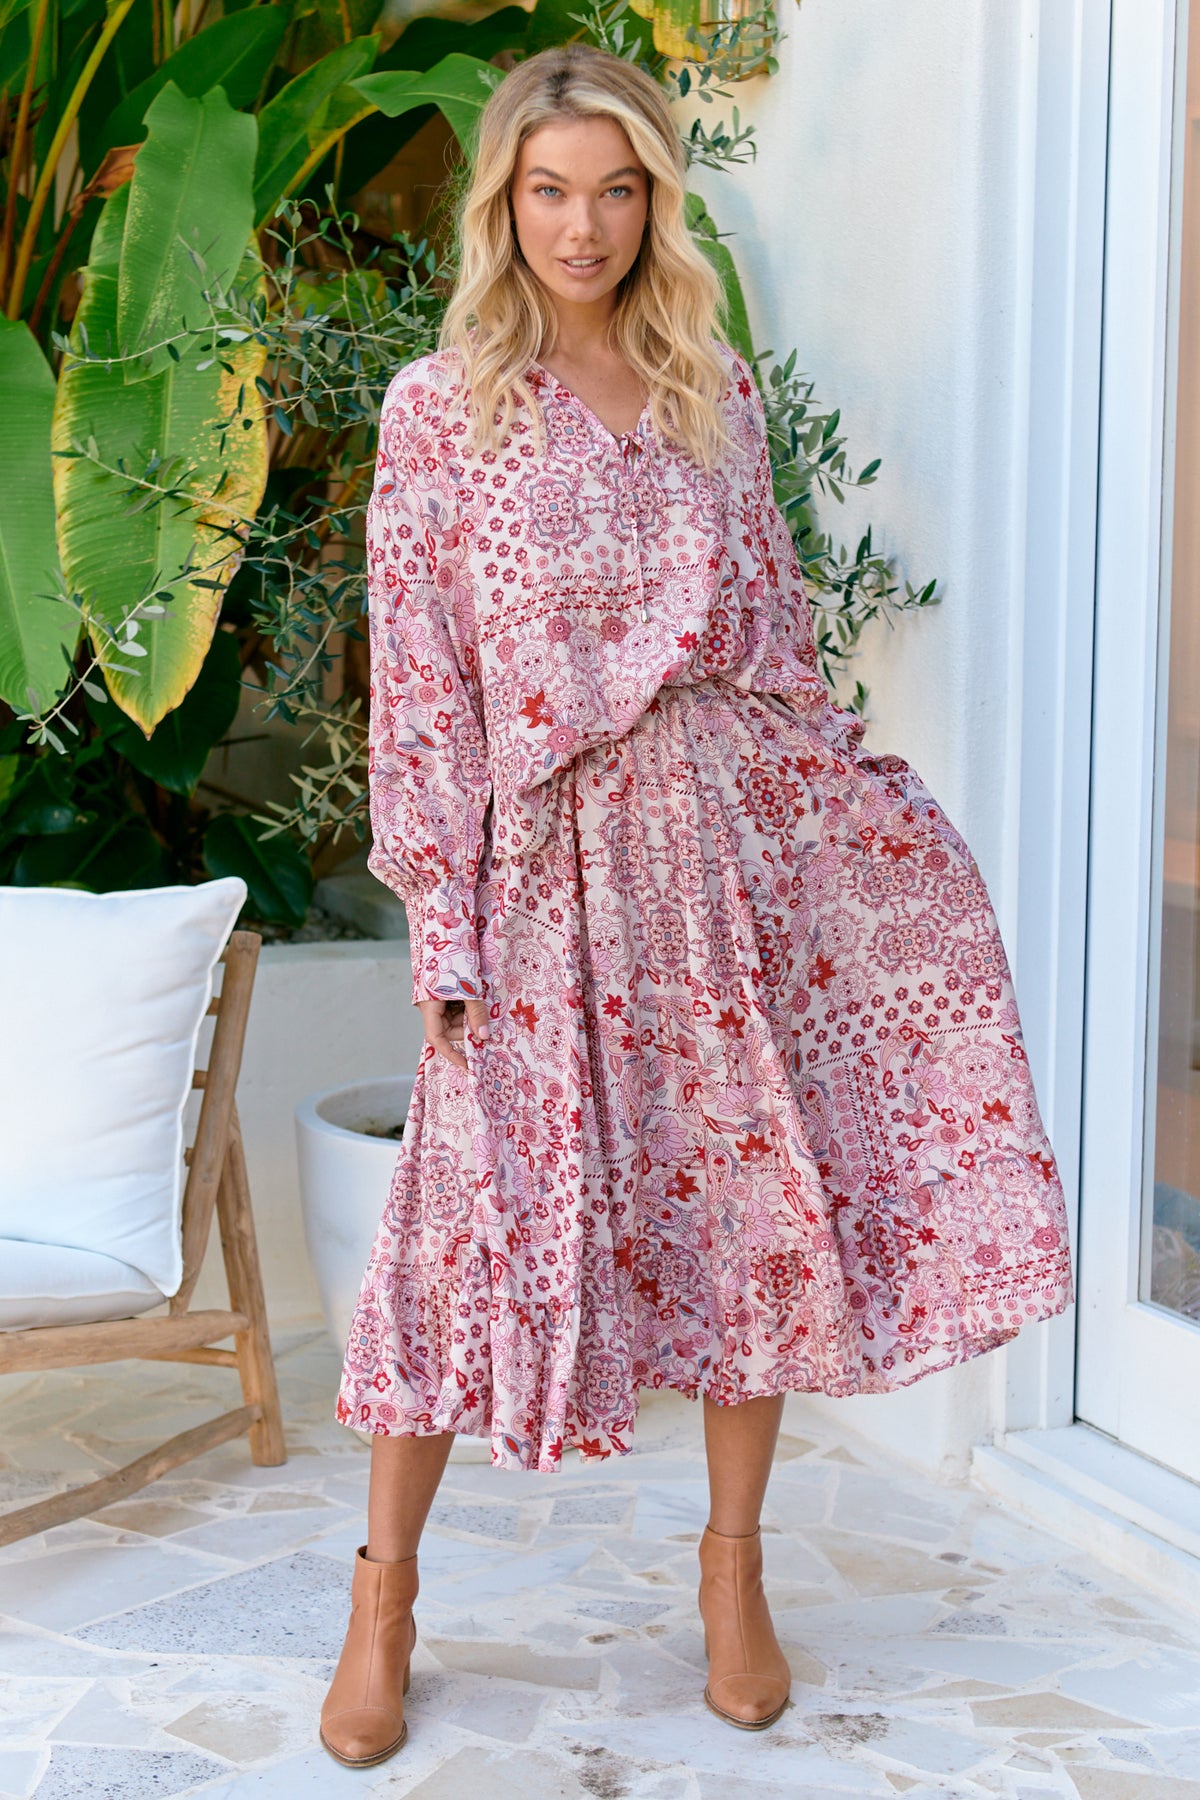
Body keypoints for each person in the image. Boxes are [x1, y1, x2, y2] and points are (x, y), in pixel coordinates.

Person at [318, 41, 1074, 1768]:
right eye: (549, 191)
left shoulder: (707, 386)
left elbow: (778, 640)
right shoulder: (440, 408)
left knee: (748, 1212)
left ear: (656, 202)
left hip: (724, 851)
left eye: (616, 190)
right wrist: (444, 926)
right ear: (504, 204)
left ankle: (735, 1576)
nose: (583, 227)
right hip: (540, 873)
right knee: (458, 1232)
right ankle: (384, 1600)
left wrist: (854, 830)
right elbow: (421, 693)